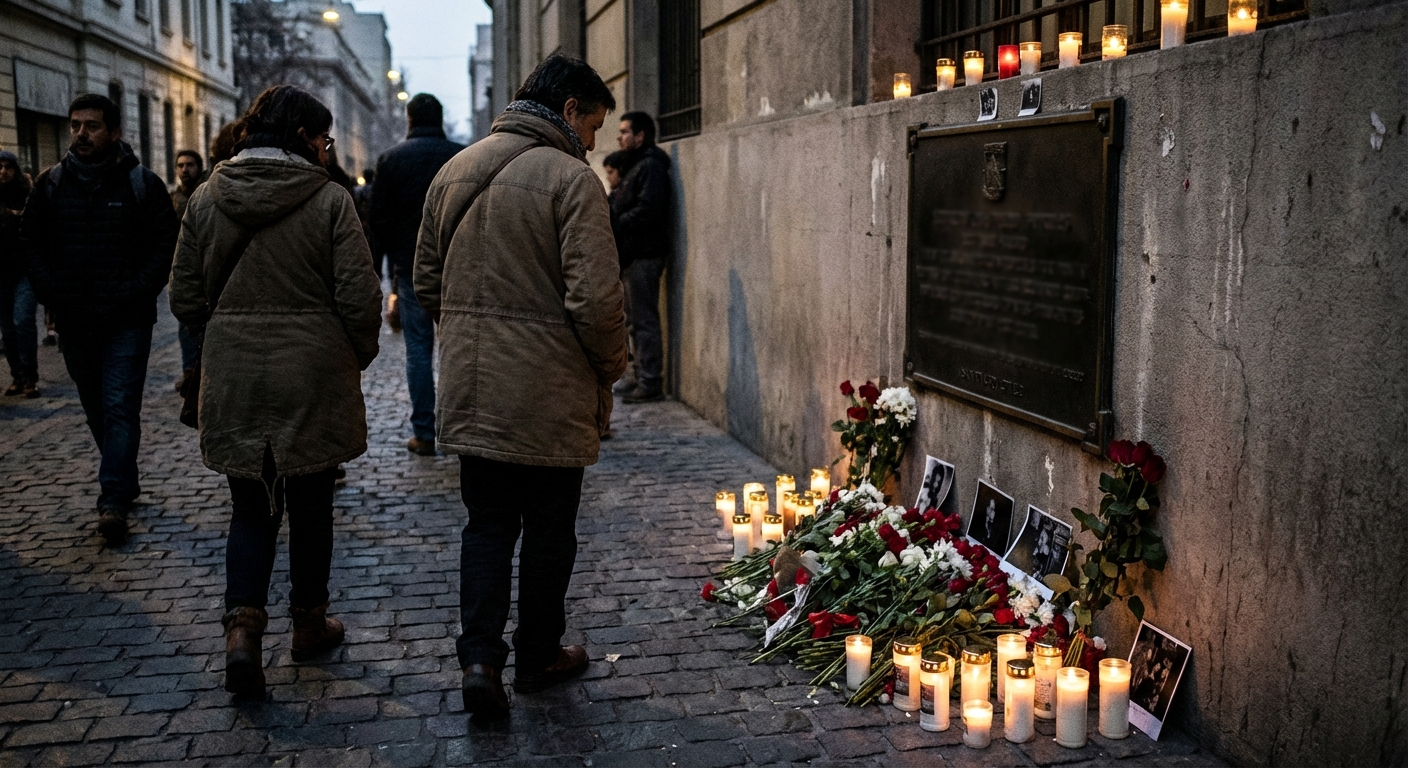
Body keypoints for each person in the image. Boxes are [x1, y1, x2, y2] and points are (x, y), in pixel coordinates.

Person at [414, 54, 627, 718]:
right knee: (549, 528)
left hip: (474, 387)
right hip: (549, 391)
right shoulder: (573, 180)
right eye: (591, 125)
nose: (593, 142)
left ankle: (479, 660)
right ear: (568, 111)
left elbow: (426, 282)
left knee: (486, 526)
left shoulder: (453, 171)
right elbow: (595, 301)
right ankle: (537, 654)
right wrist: (611, 366)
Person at [169, 85, 382, 699]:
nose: (326, 150)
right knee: (312, 505)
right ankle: (309, 626)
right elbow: (360, 296)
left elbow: (183, 298)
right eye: (323, 139)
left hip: (235, 369)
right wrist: (352, 355)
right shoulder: (330, 201)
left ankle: (241, 636)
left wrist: (227, 325)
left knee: (250, 507)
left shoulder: (207, 198)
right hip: (312, 371)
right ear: (302, 138)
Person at [19, 94, 178, 544]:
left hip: (126, 319)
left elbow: (163, 248)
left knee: (119, 405)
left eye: (91, 126)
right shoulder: (50, 185)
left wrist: (132, 292)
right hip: (73, 318)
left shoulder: (142, 185)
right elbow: (31, 245)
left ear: (113, 131)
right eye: (75, 126)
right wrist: (55, 294)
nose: (81, 134)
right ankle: (123, 479)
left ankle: (112, 501)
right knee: (95, 406)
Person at [372, 93, 465, 456]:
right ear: (440, 119)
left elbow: (379, 221)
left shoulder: (391, 160)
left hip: (410, 266)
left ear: (409, 120)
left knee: (418, 350)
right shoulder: (459, 156)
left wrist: (382, 271)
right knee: (458, 349)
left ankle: (424, 431)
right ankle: (459, 430)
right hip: (456, 265)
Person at [610, 111, 672, 404]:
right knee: (633, 319)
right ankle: (638, 375)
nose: (620, 137)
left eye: (624, 132)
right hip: (633, 252)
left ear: (640, 135)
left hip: (645, 252)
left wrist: (619, 221)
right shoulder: (634, 165)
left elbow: (649, 208)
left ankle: (650, 380)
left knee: (644, 319)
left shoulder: (650, 166)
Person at [0, 151, 38, 398]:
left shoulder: (28, 196)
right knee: (7, 329)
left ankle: (30, 378)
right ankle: (17, 376)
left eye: (7, 167)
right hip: (2, 273)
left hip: (25, 270)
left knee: (22, 321)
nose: (3, 171)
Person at [171, 149, 205, 379]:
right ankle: (189, 370)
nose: (185, 170)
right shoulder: (174, 198)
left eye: (190, 165)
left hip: (207, 266)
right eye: (180, 165)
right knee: (185, 322)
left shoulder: (208, 193)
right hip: (185, 268)